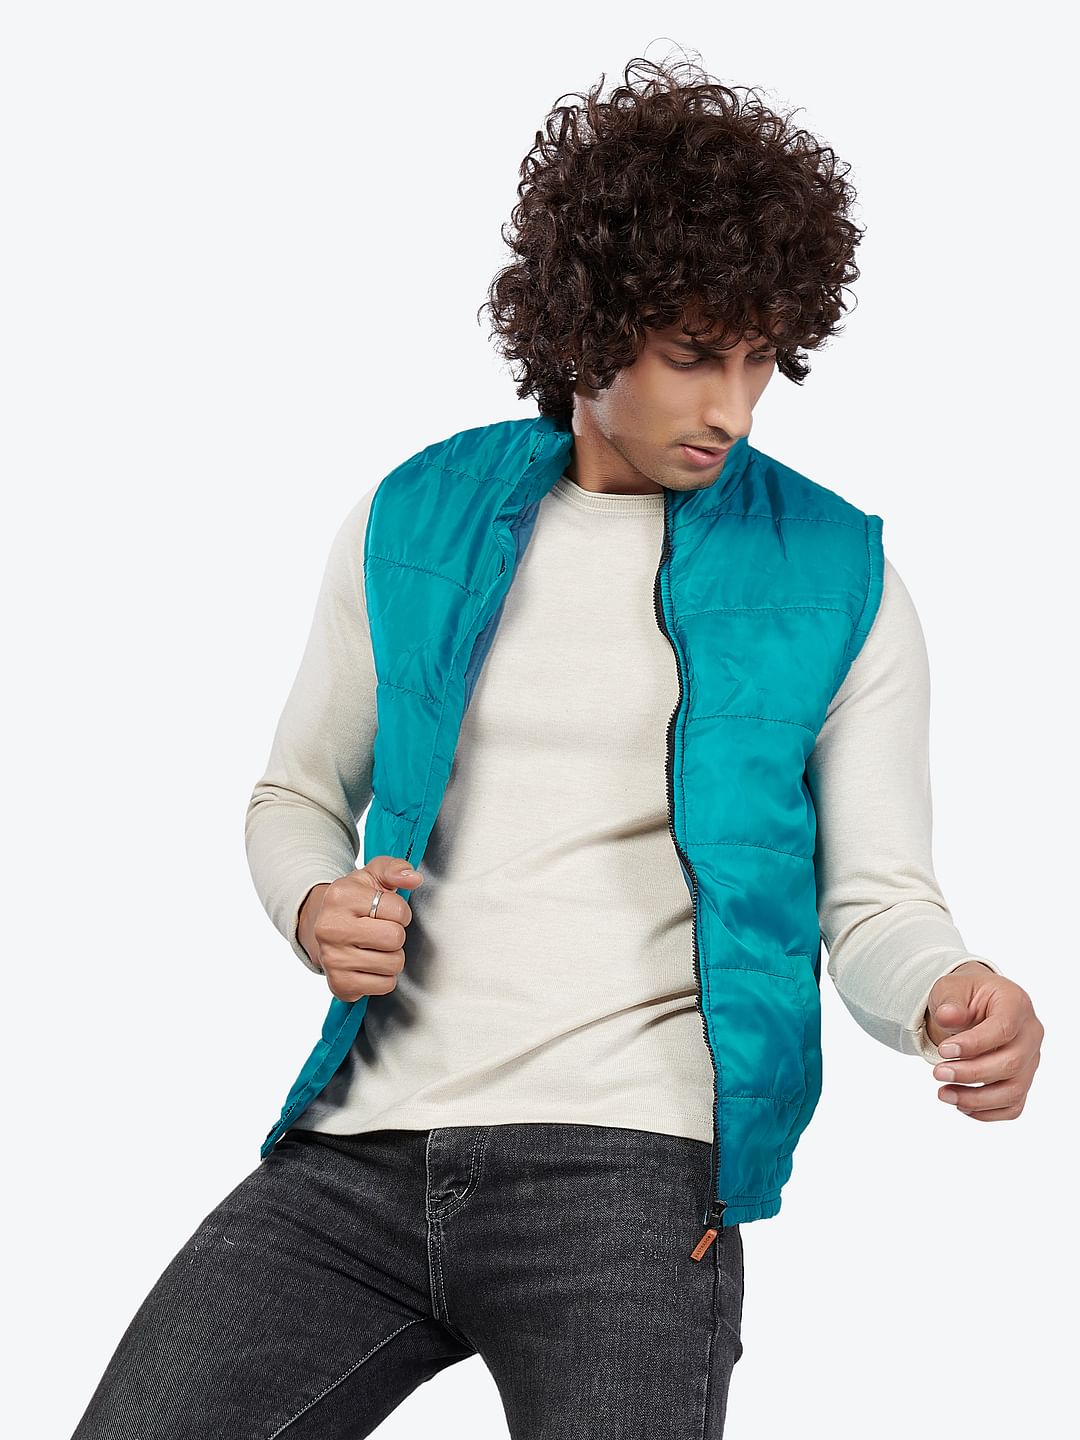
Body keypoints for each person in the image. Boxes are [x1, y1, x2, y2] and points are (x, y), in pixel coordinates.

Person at [71, 55, 1044, 1440]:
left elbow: (877, 901)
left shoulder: (838, 575)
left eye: (760, 359)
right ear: (589, 332)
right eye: (694, 356)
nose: (734, 407)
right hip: (359, 1151)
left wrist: (951, 992)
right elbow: (296, 793)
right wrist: (310, 901)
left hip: (631, 1180)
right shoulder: (415, 516)